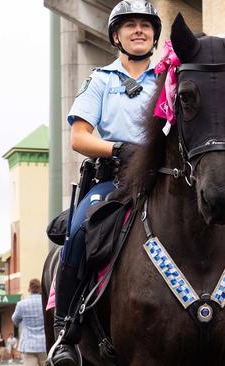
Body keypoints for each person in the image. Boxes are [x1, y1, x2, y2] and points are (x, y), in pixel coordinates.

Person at [48, 1, 162, 365]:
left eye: (146, 24)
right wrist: (119, 148)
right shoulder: (100, 80)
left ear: (155, 34)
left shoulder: (169, 79)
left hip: (165, 178)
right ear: (116, 35)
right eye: (130, 25)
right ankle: (66, 329)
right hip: (115, 179)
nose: (139, 30)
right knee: (81, 229)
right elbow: (79, 138)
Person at [12, 279, 46, 366]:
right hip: (44, 344)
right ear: (40, 289)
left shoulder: (21, 304)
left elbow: (15, 320)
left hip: (28, 345)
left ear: (29, 289)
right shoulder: (45, 303)